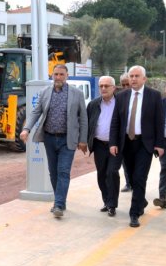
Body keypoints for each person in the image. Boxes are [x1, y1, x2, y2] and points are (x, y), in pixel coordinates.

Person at [20, 64, 88, 218]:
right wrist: (26, 129)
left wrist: (83, 140)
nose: (58, 77)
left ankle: (58, 205)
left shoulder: (77, 94)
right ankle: (61, 201)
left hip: (67, 139)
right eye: (56, 74)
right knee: (54, 172)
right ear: (52, 75)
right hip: (49, 138)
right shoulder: (44, 92)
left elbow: (83, 118)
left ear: (67, 76)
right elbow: (36, 112)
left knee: (63, 171)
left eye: (61, 74)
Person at [109, 65, 164, 228]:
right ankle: (141, 201)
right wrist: (113, 143)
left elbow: (159, 122)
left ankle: (134, 214)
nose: (133, 79)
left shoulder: (154, 96)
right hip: (126, 143)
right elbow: (115, 121)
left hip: (144, 143)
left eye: (136, 76)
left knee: (140, 177)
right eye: (131, 76)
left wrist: (159, 144)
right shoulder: (121, 96)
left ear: (144, 79)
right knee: (133, 179)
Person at [86, 76, 119, 217]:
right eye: (101, 86)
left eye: (107, 86)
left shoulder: (120, 103)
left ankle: (112, 204)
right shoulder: (93, 104)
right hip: (99, 144)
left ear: (114, 88)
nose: (103, 88)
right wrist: (84, 141)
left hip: (115, 145)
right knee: (101, 174)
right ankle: (106, 201)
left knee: (112, 173)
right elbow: (87, 124)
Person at [117, 74, 133, 192]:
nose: (126, 87)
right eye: (124, 85)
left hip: (138, 137)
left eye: (128, 84)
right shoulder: (119, 97)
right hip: (123, 137)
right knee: (125, 163)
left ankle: (136, 183)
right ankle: (128, 183)